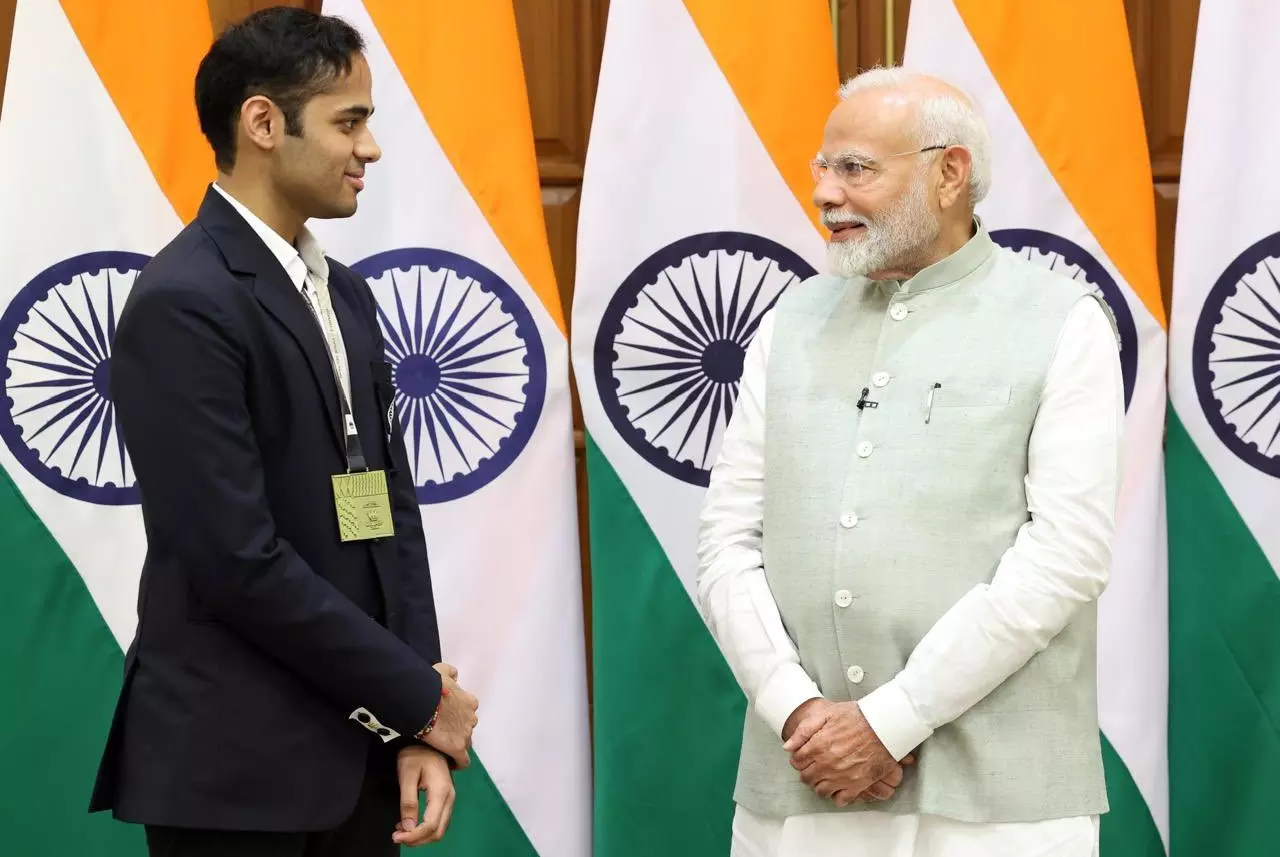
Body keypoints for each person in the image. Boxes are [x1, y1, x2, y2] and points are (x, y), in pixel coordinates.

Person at [697, 67, 1123, 857]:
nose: (826, 193)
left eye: (855, 168)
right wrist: (798, 711)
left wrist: (890, 721)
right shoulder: (788, 321)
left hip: (998, 805)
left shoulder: (1064, 322)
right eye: (822, 168)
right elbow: (726, 539)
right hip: (801, 781)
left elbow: (1066, 557)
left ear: (949, 173)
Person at [88, 8, 479, 855]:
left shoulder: (347, 294)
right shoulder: (184, 301)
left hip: (363, 757)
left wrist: (417, 720)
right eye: (350, 121)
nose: (369, 148)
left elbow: (390, 518)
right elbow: (237, 561)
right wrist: (415, 695)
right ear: (263, 123)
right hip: (236, 780)